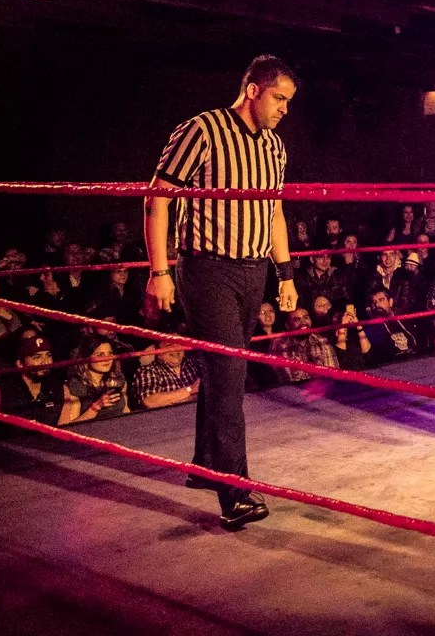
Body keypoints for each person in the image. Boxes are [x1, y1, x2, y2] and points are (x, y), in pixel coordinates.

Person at [142, 54, 298, 531]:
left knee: (222, 369)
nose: (284, 110)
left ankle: (205, 464)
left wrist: (286, 274)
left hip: (253, 270)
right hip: (207, 268)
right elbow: (157, 197)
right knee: (230, 373)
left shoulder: (274, 147)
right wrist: (159, 271)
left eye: (289, 102)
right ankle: (236, 491)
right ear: (253, 89)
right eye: (279, 98)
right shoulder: (202, 131)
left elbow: (274, 212)